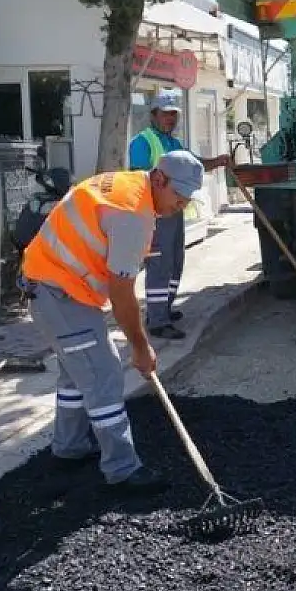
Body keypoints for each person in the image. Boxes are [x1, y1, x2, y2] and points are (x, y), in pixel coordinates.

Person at [20, 150, 218, 494]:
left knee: (76, 371)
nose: (181, 205)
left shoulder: (130, 186)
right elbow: (122, 292)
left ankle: (69, 448)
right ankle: (122, 469)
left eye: (187, 199)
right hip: (59, 291)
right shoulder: (132, 214)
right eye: (179, 196)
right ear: (159, 179)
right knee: (105, 373)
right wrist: (141, 347)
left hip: (54, 283)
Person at [129, 90, 192, 339]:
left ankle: (165, 307)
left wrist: (217, 162)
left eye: (174, 115)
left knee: (176, 262)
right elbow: (139, 179)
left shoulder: (174, 143)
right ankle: (156, 321)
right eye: (166, 114)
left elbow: (192, 164)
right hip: (154, 215)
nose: (171, 119)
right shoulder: (142, 142)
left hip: (173, 211)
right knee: (159, 265)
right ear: (154, 115)